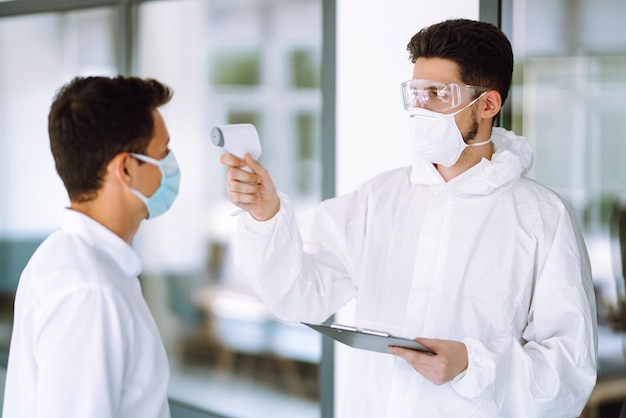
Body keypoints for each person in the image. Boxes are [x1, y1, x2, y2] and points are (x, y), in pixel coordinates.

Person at [220, 18, 598, 417]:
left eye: (437, 93)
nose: (420, 108)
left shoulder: (540, 216)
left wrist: (472, 364)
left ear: (487, 104)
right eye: (415, 93)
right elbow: (299, 297)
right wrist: (265, 217)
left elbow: (569, 368)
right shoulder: (377, 199)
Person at [2, 76, 180, 418]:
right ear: (126, 168)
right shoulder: (89, 292)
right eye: (164, 152)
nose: (171, 165)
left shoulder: (69, 259)